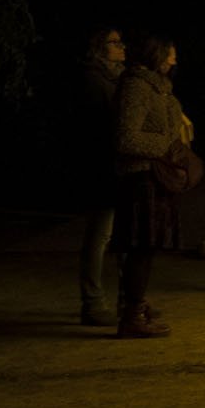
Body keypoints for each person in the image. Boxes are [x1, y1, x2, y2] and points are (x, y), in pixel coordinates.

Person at [114, 35, 189, 339]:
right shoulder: (136, 87)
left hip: (154, 176)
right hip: (141, 177)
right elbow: (127, 137)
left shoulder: (158, 87)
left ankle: (136, 304)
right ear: (156, 55)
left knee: (147, 246)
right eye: (170, 54)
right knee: (140, 246)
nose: (174, 60)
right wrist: (167, 147)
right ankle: (131, 314)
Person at [75, 26, 126, 326]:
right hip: (101, 167)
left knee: (116, 233)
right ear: (98, 47)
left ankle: (127, 298)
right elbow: (104, 124)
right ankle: (93, 301)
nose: (121, 47)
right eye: (113, 42)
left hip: (112, 166)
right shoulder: (93, 81)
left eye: (120, 42)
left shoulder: (114, 79)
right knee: (100, 233)